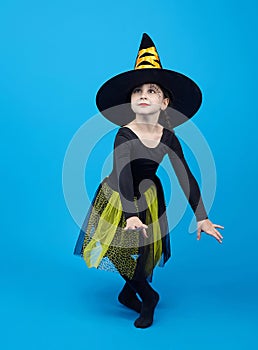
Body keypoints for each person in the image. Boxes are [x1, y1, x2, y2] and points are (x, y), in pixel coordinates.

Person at [73, 33, 224, 329]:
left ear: (164, 102)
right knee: (115, 248)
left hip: (150, 196)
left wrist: (202, 216)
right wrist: (129, 216)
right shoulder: (124, 134)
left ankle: (128, 295)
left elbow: (184, 173)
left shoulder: (168, 137)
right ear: (130, 102)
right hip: (118, 195)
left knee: (144, 252)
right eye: (137, 91)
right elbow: (125, 172)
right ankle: (148, 296)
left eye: (152, 90)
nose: (143, 94)